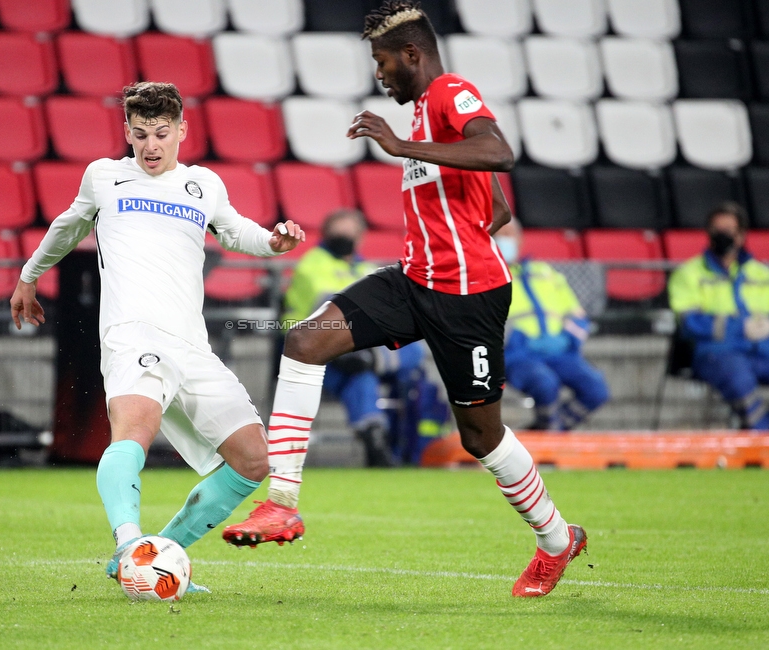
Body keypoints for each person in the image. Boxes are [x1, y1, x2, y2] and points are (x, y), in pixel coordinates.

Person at [224, 1, 586, 598]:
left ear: (412, 55)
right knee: (305, 339)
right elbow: (497, 207)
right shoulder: (420, 113)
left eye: (383, 60)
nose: (379, 73)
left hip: (470, 296)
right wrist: (454, 224)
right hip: (414, 279)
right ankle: (281, 503)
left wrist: (401, 149)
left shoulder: (449, 93)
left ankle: (555, 540)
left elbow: (498, 152)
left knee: (480, 436)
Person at [10, 82, 304, 591]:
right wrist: (29, 276)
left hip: (191, 345)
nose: (150, 144)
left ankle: (157, 557)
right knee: (135, 429)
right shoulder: (104, 177)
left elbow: (237, 232)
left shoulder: (204, 184)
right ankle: (129, 544)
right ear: (127, 131)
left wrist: (275, 241)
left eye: (161, 133)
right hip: (132, 332)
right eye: (140, 133)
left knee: (255, 460)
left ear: (181, 131)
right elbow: (67, 226)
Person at [282, 208, 441, 467]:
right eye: (338, 231)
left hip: (368, 347)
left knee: (413, 355)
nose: (344, 236)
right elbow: (326, 317)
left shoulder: (368, 269)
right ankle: (378, 439)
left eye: (349, 231)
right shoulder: (311, 266)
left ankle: (409, 444)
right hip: (323, 354)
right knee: (360, 374)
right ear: (326, 234)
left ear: (361, 237)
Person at [668, 202, 769, 429]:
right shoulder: (689, 274)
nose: (723, 236)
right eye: (717, 231)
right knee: (738, 377)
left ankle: (765, 433)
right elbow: (690, 323)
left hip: (765, 351)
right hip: (716, 352)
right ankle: (765, 435)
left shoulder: (763, 274)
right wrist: (739, 328)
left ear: (741, 235)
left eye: (729, 231)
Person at [494, 219, 609, 430]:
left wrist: (567, 340)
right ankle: (549, 431)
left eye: (508, 234)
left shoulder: (545, 273)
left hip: (560, 352)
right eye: (498, 234)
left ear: (520, 240)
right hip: (515, 355)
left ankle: (551, 431)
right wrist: (516, 341)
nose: (503, 239)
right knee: (545, 383)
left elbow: (577, 316)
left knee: (596, 389)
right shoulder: (484, 276)